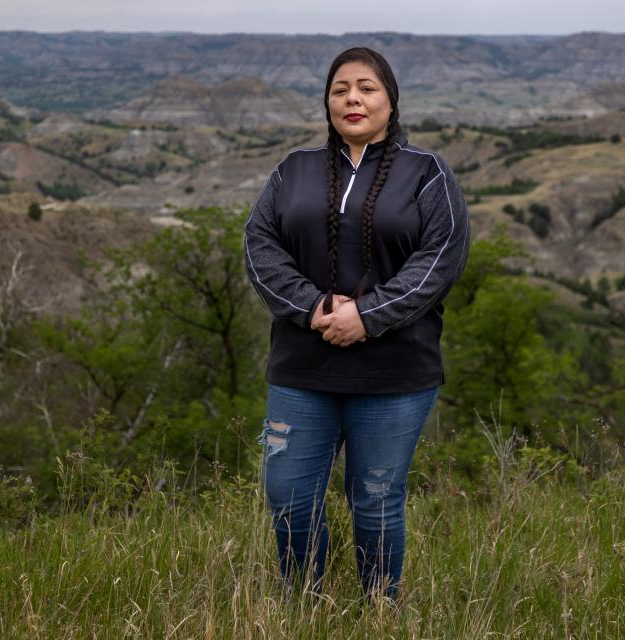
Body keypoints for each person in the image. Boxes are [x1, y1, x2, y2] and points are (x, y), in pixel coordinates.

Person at [243, 46, 470, 600]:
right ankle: (304, 604)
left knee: (375, 497)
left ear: (391, 101)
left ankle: (379, 608)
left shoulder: (428, 173)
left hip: (394, 372)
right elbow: (259, 245)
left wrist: (366, 317)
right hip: (303, 366)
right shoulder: (292, 170)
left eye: (367, 88)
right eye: (341, 88)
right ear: (327, 101)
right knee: (289, 495)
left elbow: (441, 259)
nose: (353, 98)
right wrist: (315, 308)